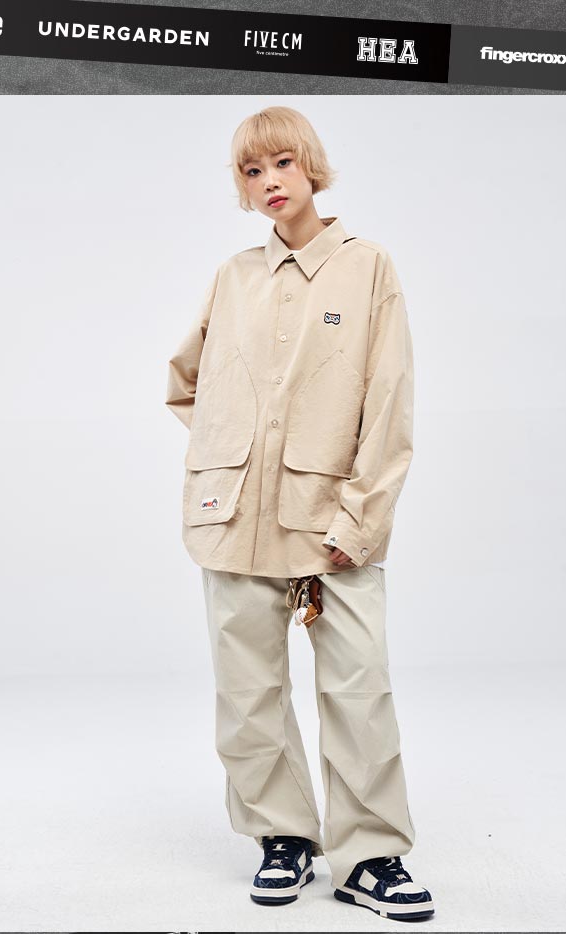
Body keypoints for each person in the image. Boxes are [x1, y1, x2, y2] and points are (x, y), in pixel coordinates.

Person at [165, 105, 434, 922]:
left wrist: (360, 520)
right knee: (248, 694)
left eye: (281, 163)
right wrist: (229, 459)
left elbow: (389, 404)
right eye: (251, 171)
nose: (269, 181)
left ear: (311, 165)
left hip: (332, 524)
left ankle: (371, 856)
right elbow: (186, 384)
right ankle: (282, 838)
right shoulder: (233, 276)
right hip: (235, 523)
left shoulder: (368, 268)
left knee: (359, 691)